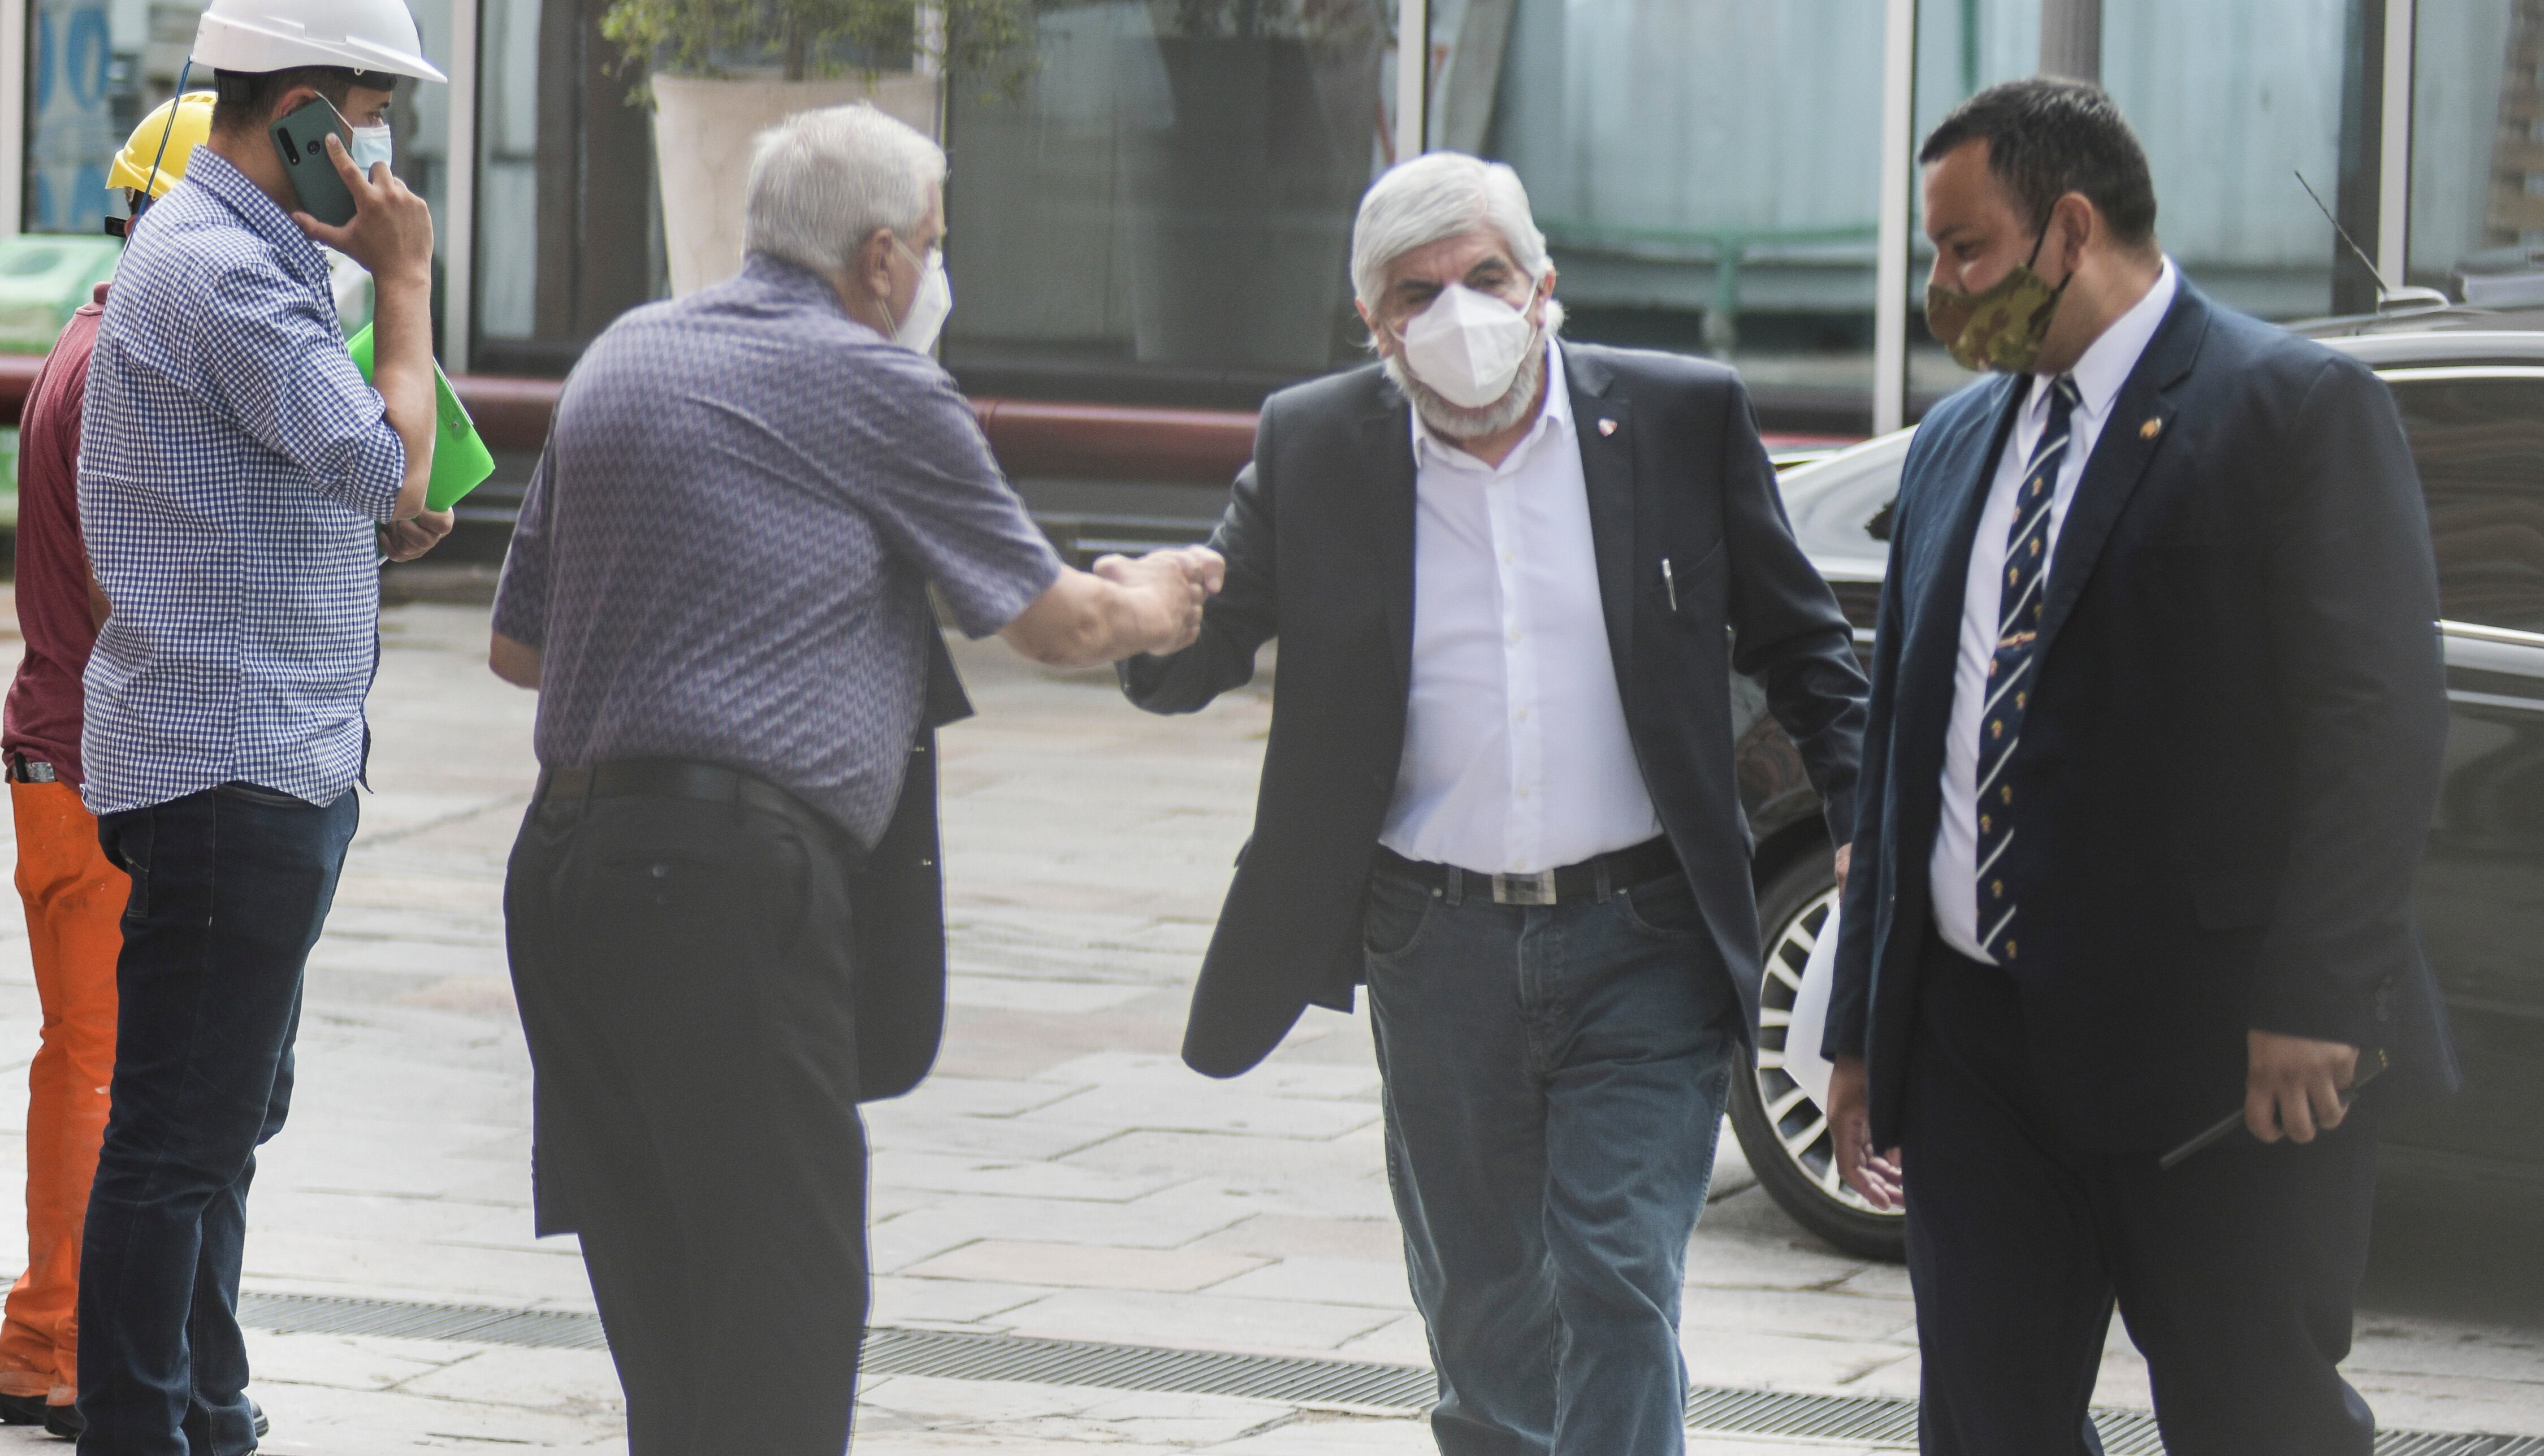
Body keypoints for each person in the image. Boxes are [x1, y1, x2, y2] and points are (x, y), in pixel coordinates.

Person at [488, 102, 1220, 1456]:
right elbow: (1050, 621)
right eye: (934, 245)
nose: (938, 273)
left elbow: (519, 648)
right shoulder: (875, 383)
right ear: (880, 258)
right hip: (722, 890)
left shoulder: (625, 355)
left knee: (667, 1312)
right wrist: (1161, 598)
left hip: (564, 877)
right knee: (780, 1320)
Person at [1120, 152, 1868, 1455]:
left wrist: (1865, 826)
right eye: (1418, 292)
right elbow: (1198, 654)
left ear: (1543, 288)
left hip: (1646, 935)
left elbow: (1810, 651)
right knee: (1486, 1316)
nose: (1457, 312)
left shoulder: (1682, 419)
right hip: (1436, 946)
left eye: (1485, 277)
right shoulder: (1317, 445)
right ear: (1374, 322)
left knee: (1615, 1276)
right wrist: (1132, 612)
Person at [1822, 78, 2457, 1455]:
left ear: (2068, 228)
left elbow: (2381, 721)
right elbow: (1902, 741)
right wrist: (1867, 1025)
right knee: (1986, 1428)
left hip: (2219, 1066)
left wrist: (2314, 995)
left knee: (2253, 1419)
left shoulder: (2294, 409)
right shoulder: (1955, 444)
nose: (1942, 288)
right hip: (1983, 1058)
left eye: (1964, 250)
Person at [77, 0, 453, 1456]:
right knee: (177, 1140)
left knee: (217, 1128)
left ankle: (203, 1412)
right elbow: (381, 457)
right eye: (369, 116)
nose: (381, 154)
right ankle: (142, 1428)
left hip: (264, 755)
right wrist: (408, 284)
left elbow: (341, 472)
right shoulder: (225, 270)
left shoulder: (253, 261)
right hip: (231, 765)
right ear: (302, 110)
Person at [0, 93, 216, 1444]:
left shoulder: (94, 345)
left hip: (64, 757)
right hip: (92, 766)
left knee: (84, 1056)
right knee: (105, 1065)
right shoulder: (122, 367)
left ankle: (51, 1332)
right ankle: (59, 1343)